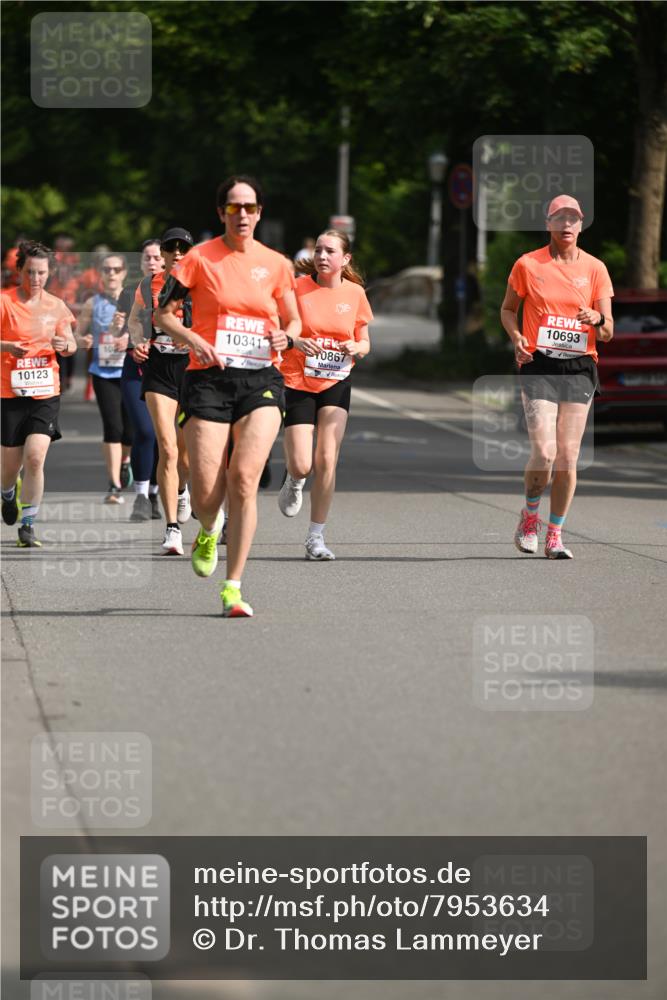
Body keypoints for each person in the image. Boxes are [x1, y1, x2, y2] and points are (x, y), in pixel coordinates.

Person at [155, 174, 300, 617]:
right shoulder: (198, 260)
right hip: (209, 379)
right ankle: (205, 529)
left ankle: (233, 587)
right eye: (234, 207)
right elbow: (163, 314)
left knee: (244, 479)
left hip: (261, 380)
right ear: (221, 213)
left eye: (250, 207)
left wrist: (285, 338)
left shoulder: (277, 264)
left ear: (260, 213)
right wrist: (193, 340)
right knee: (205, 493)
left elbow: (294, 322)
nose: (243, 214)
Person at [500, 194, 614, 560]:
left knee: (568, 455)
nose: (567, 225)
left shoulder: (595, 269)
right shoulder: (528, 265)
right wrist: (517, 337)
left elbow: (609, 330)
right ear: (548, 223)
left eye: (573, 219)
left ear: (581, 225)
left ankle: (555, 533)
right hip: (539, 365)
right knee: (545, 452)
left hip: (580, 367)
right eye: (559, 218)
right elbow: (507, 309)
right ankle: (530, 516)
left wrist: (597, 319)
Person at [278, 229, 372, 559]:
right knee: (303, 464)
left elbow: (365, 341)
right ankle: (293, 478)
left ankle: (315, 537)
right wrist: (297, 342)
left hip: (336, 380)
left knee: (327, 459)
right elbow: (277, 330)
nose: (321, 256)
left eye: (330, 251)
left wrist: (355, 346)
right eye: (318, 249)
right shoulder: (296, 288)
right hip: (296, 380)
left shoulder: (356, 293)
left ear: (344, 259)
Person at [0, 241, 77, 547]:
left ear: (49, 273)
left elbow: (70, 343)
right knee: (10, 466)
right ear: (19, 270)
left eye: (41, 273)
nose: (35, 278)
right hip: (10, 392)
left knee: (35, 458)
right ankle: (7, 492)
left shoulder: (57, 306)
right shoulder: (4, 301)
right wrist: (7, 347)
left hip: (46, 391)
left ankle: (28, 524)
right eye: (30, 272)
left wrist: (66, 346)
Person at [129, 227, 194, 553]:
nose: (178, 253)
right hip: (159, 371)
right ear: (164, 253)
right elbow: (134, 321)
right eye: (172, 248)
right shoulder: (147, 285)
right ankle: (172, 530)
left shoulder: (203, 284)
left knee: (186, 456)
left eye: (184, 248)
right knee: (167, 448)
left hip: (194, 372)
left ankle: (181, 491)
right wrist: (138, 341)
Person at [76, 252, 133, 503]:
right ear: (101, 273)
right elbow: (77, 335)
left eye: (116, 269)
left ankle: (125, 460)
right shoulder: (92, 303)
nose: (111, 274)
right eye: (107, 269)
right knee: (113, 427)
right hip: (104, 373)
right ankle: (114, 485)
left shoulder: (135, 301)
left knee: (131, 431)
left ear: (124, 273)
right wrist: (83, 341)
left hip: (131, 372)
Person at [119, 239, 164, 519]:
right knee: (144, 431)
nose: (151, 262)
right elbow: (122, 329)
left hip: (165, 371)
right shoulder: (128, 292)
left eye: (156, 257)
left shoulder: (176, 289)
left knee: (162, 435)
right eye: (146, 257)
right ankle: (140, 496)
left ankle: (157, 493)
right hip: (134, 369)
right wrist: (131, 346)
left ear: (165, 260)